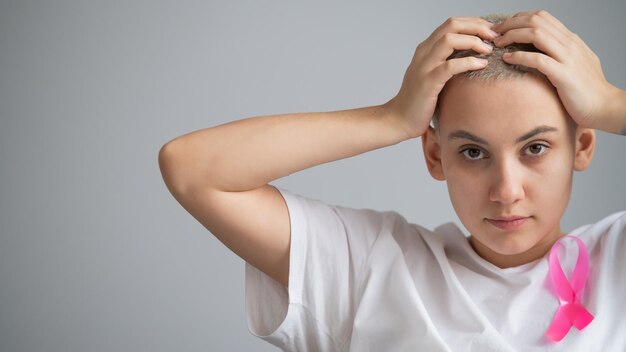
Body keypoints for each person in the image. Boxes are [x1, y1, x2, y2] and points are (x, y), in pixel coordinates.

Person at [158, 10, 626, 351]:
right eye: (472, 152)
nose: (506, 190)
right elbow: (192, 169)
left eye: (535, 148)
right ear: (433, 154)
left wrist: (607, 103)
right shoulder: (374, 266)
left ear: (582, 146)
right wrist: (392, 118)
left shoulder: (618, 261)